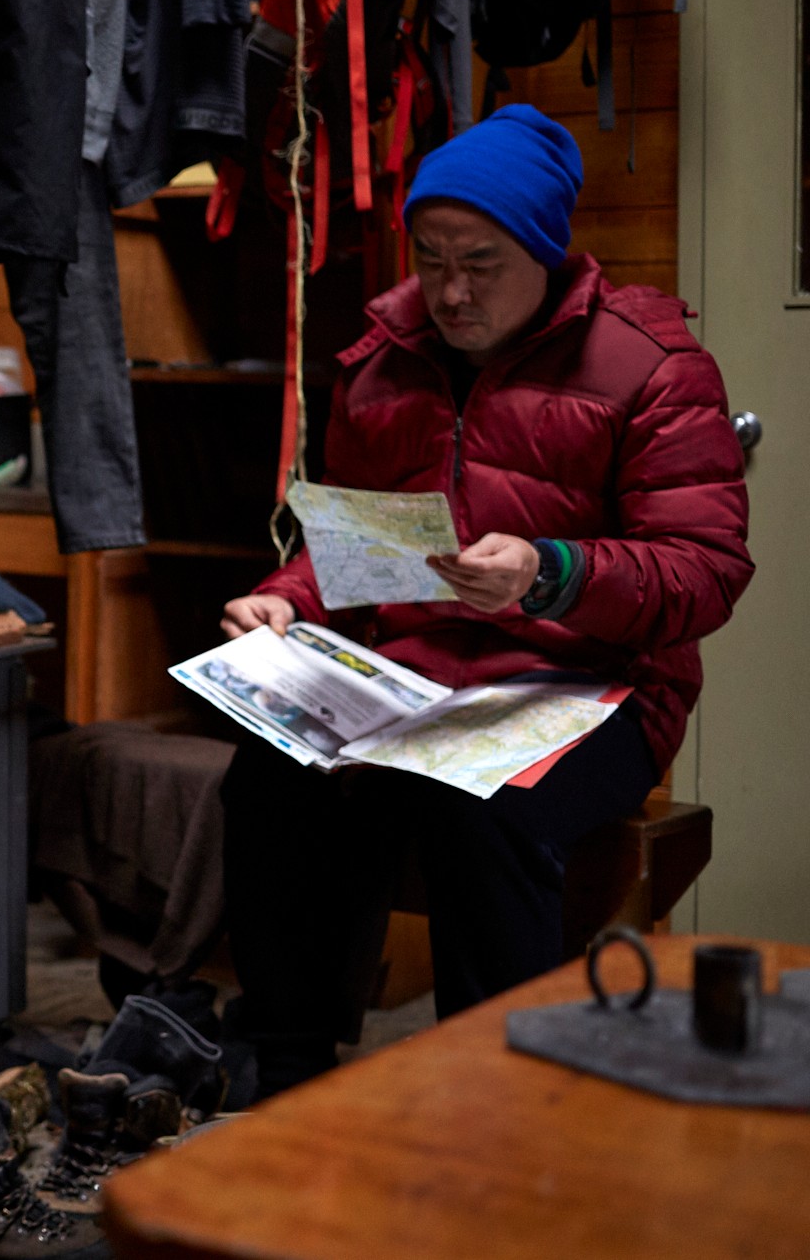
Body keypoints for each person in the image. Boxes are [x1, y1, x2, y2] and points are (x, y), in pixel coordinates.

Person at [215, 105, 753, 1096]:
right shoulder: (379, 360)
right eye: (431, 259)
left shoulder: (652, 367)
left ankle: (496, 1094)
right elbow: (358, 551)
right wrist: (285, 600)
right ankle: (285, 1075)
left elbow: (703, 570)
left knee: (482, 809)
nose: (451, 291)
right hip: (414, 680)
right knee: (266, 769)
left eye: (481, 263)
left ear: (544, 253)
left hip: (595, 685)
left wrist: (553, 573)